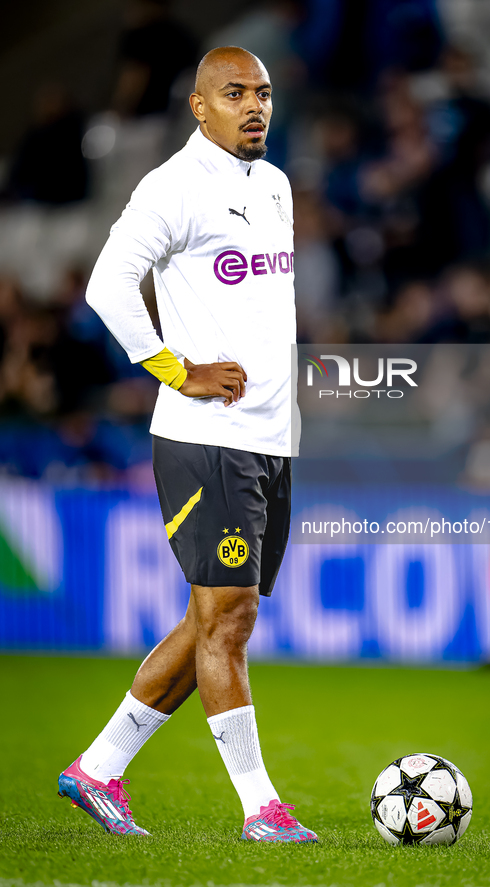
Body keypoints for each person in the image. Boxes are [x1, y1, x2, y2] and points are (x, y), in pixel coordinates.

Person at [57, 46, 317, 844]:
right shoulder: (170, 188)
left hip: (271, 437)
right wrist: (177, 370)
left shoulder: (272, 186)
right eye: (234, 93)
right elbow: (107, 285)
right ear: (199, 107)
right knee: (228, 616)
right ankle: (260, 809)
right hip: (206, 437)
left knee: (214, 616)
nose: (254, 107)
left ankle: (97, 768)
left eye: (263, 93)